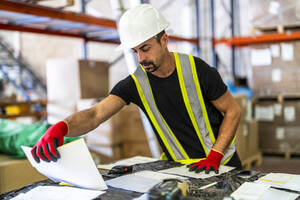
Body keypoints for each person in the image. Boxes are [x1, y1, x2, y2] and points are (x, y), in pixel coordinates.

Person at [31, 4, 242, 174]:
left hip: (222, 164)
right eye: (135, 51)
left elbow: (233, 111)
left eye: (145, 48)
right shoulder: (136, 84)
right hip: (181, 170)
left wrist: (215, 155)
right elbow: (95, 114)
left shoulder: (198, 70)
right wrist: (62, 127)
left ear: (164, 40)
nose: (140, 58)